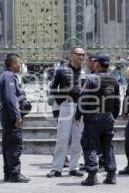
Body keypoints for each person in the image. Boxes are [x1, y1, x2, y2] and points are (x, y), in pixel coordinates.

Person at [75, 53, 120, 186]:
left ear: (97, 64)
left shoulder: (92, 79)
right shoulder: (114, 79)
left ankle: (92, 175)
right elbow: (117, 101)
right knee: (107, 146)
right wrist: (113, 116)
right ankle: (111, 175)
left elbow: (83, 98)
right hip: (108, 117)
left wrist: (78, 114)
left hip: (93, 117)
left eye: (94, 62)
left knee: (89, 144)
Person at [46, 47, 85, 178]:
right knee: (62, 138)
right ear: (71, 55)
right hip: (66, 106)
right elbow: (53, 87)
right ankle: (57, 169)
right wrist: (61, 100)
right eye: (78, 54)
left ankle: (74, 167)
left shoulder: (85, 72)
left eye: (83, 55)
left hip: (80, 107)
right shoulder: (61, 70)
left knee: (78, 138)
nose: (81, 57)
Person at [0, 53, 30, 183]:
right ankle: (15, 174)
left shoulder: (5, 76)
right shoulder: (9, 76)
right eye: (19, 63)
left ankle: (8, 173)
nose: (21, 65)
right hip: (11, 116)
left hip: (7, 115)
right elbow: (11, 99)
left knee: (8, 144)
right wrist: (17, 116)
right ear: (13, 64)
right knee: (15, 144)